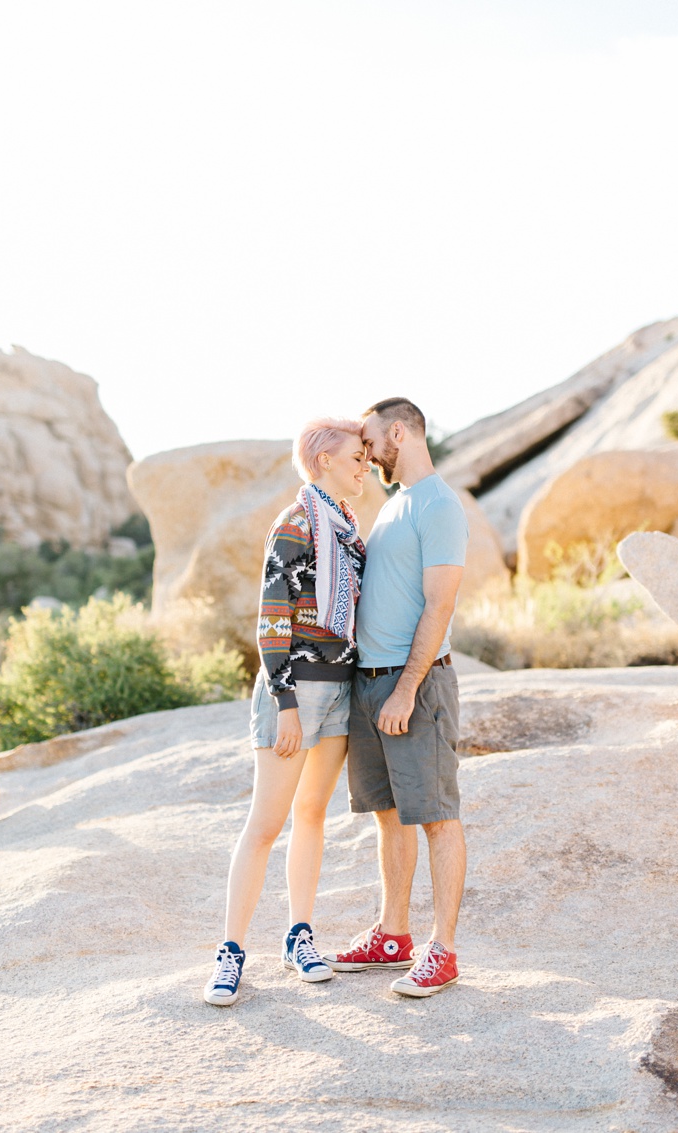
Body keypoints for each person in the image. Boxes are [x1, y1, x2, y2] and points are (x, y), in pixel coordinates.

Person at [204, 418, 370, 1006]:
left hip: (340, 690)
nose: (366, 465)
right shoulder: (296, 523)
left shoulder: (346, 525)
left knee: (313, 817)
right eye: (356, 456)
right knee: (265, 826)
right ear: (323, 459)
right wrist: (286, 705)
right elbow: (272, 619)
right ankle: (230, 953)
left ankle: (299, 934)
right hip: (297, 691)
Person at [323, 397, 469, 998]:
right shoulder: (392, 507)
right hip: (369, 683)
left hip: (414, 684)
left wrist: (407, 689)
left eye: (372, 438)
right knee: (388, 815)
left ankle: (444, 951)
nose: (366, 450)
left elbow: (441, 604)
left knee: (436, 817)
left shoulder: (438, 504)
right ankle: (394, 935)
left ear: (400, 432)